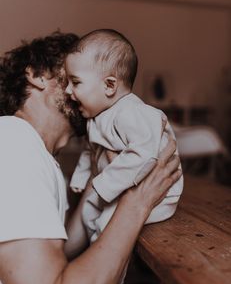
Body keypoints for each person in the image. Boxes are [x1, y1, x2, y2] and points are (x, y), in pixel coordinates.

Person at [0, 31, 181, 284]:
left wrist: (101, 173)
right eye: (70, 77)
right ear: (37, 75)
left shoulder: (38, 157)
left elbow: (61, 251)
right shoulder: (13, 140)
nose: (76, 88)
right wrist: (137, 201)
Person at [66, 29, 183, 243]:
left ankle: (105, 269)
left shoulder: (132, 112)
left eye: (75, 82)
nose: (67, 90)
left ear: (109, 85)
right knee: (88, 213)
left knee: (106, 227)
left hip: (158, 196)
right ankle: (83, 257)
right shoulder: (97, 116)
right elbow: (91, 150)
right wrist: (81, 178)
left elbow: (145, 154)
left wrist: (104, 184)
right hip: (119, 186)